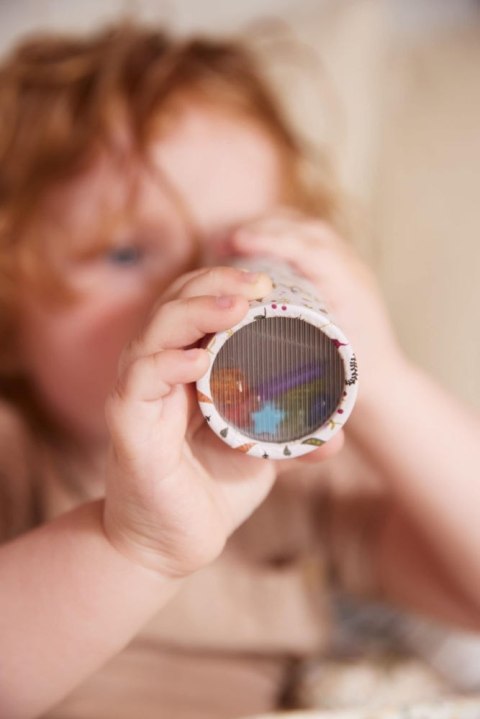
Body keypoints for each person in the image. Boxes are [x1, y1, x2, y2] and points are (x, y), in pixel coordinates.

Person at [0, 21, 479, 719]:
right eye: (128, 253)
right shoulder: (18, 452)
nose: (195, 291)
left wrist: (385, 384)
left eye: (239, 257)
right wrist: (134, 544)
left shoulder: (290, 479)